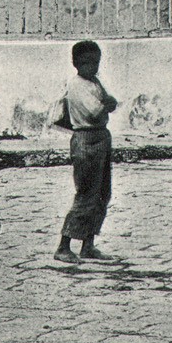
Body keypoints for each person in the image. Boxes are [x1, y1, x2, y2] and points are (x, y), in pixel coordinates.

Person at [52, 40, 118, 264]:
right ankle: (64, 245)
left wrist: (109, 103)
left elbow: (106, 103)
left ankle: (88, 245)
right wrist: (108, 104)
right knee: (86, 195)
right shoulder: (77, 85)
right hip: (86, 139)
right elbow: (94, 111)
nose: (93, 67)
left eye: (96, 62)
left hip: (100, 137)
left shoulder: (94, 83)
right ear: (76, 63)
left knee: (101, 194)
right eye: (87, 63)